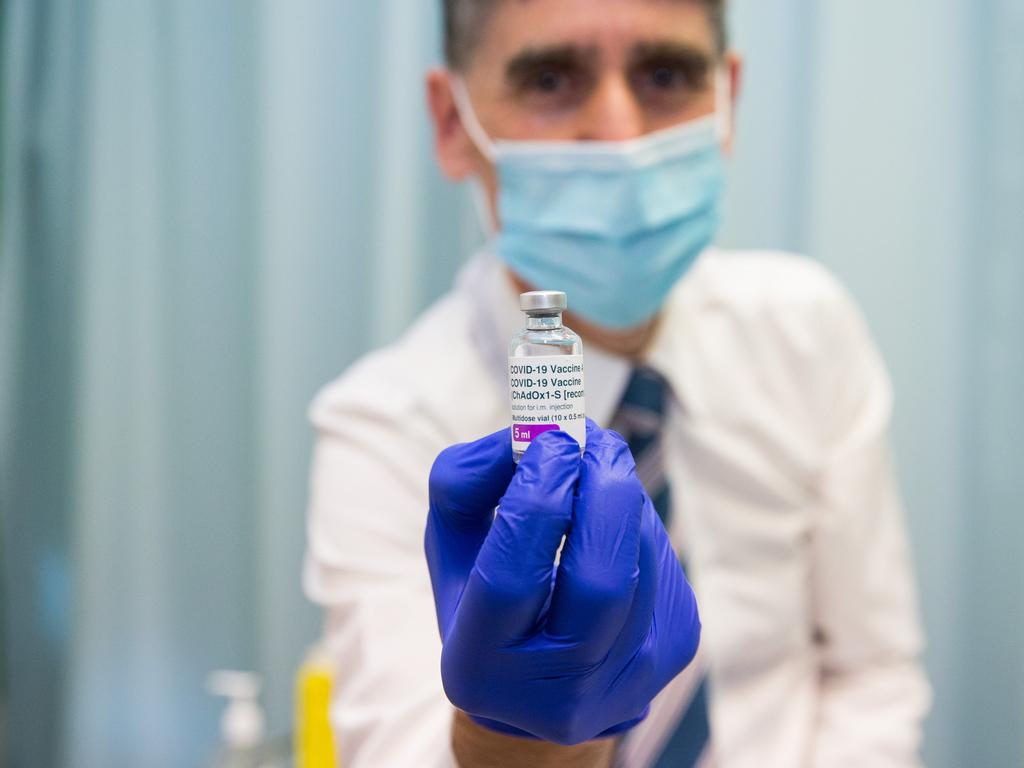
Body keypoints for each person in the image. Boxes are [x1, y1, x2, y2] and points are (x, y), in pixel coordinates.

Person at [302, 1, 932, 766]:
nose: (622, 137)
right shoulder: (384, 424)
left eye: (665, 75)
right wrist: (511, 745)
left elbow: (871, 672)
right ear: (451, 121)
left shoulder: (808, 332)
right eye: (551, 78)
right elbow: (395, 748)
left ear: (727, 100)